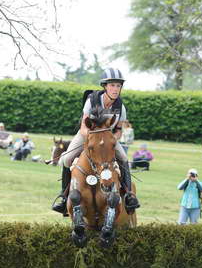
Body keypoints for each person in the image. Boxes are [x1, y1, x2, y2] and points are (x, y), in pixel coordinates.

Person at [52, 68, 140, 215]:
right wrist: (93, 137)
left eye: (118, 86)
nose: (115, 89)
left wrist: (111, 139)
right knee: (67, 159)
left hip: (107, 138)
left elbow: (118, 130)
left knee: (124, 159)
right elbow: (83, 127)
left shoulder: (121, 107)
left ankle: (129, 196)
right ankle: (63, 196)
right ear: (105, 86)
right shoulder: (91, 100)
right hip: (87, 135)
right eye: (112, 85)